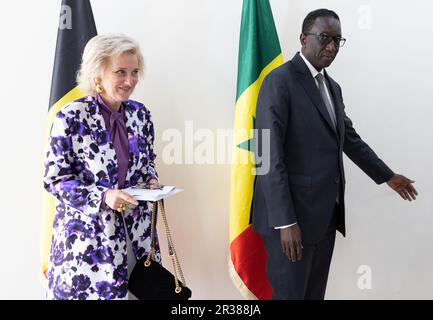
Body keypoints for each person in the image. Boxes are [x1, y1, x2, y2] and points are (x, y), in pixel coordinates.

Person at [251, 9, 418, 300]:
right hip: (290, 223)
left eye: (337, 40)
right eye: (324, 38)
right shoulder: (279, 81)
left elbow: (349, 140)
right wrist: (285, 222)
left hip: (324, 216)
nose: (331, 47)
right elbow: (267, 155)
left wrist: (387, 176)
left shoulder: (332, 87)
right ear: (303, 39)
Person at [43, 34, 162, 300]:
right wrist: (104, 196)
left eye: (134, 72)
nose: (130, 81)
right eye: (120, 72)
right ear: (97, 73)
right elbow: (55, 179)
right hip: (89, 248)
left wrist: (152, 181)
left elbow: (147, 162)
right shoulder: (71, 117)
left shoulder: (140, 114)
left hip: (137, 241)